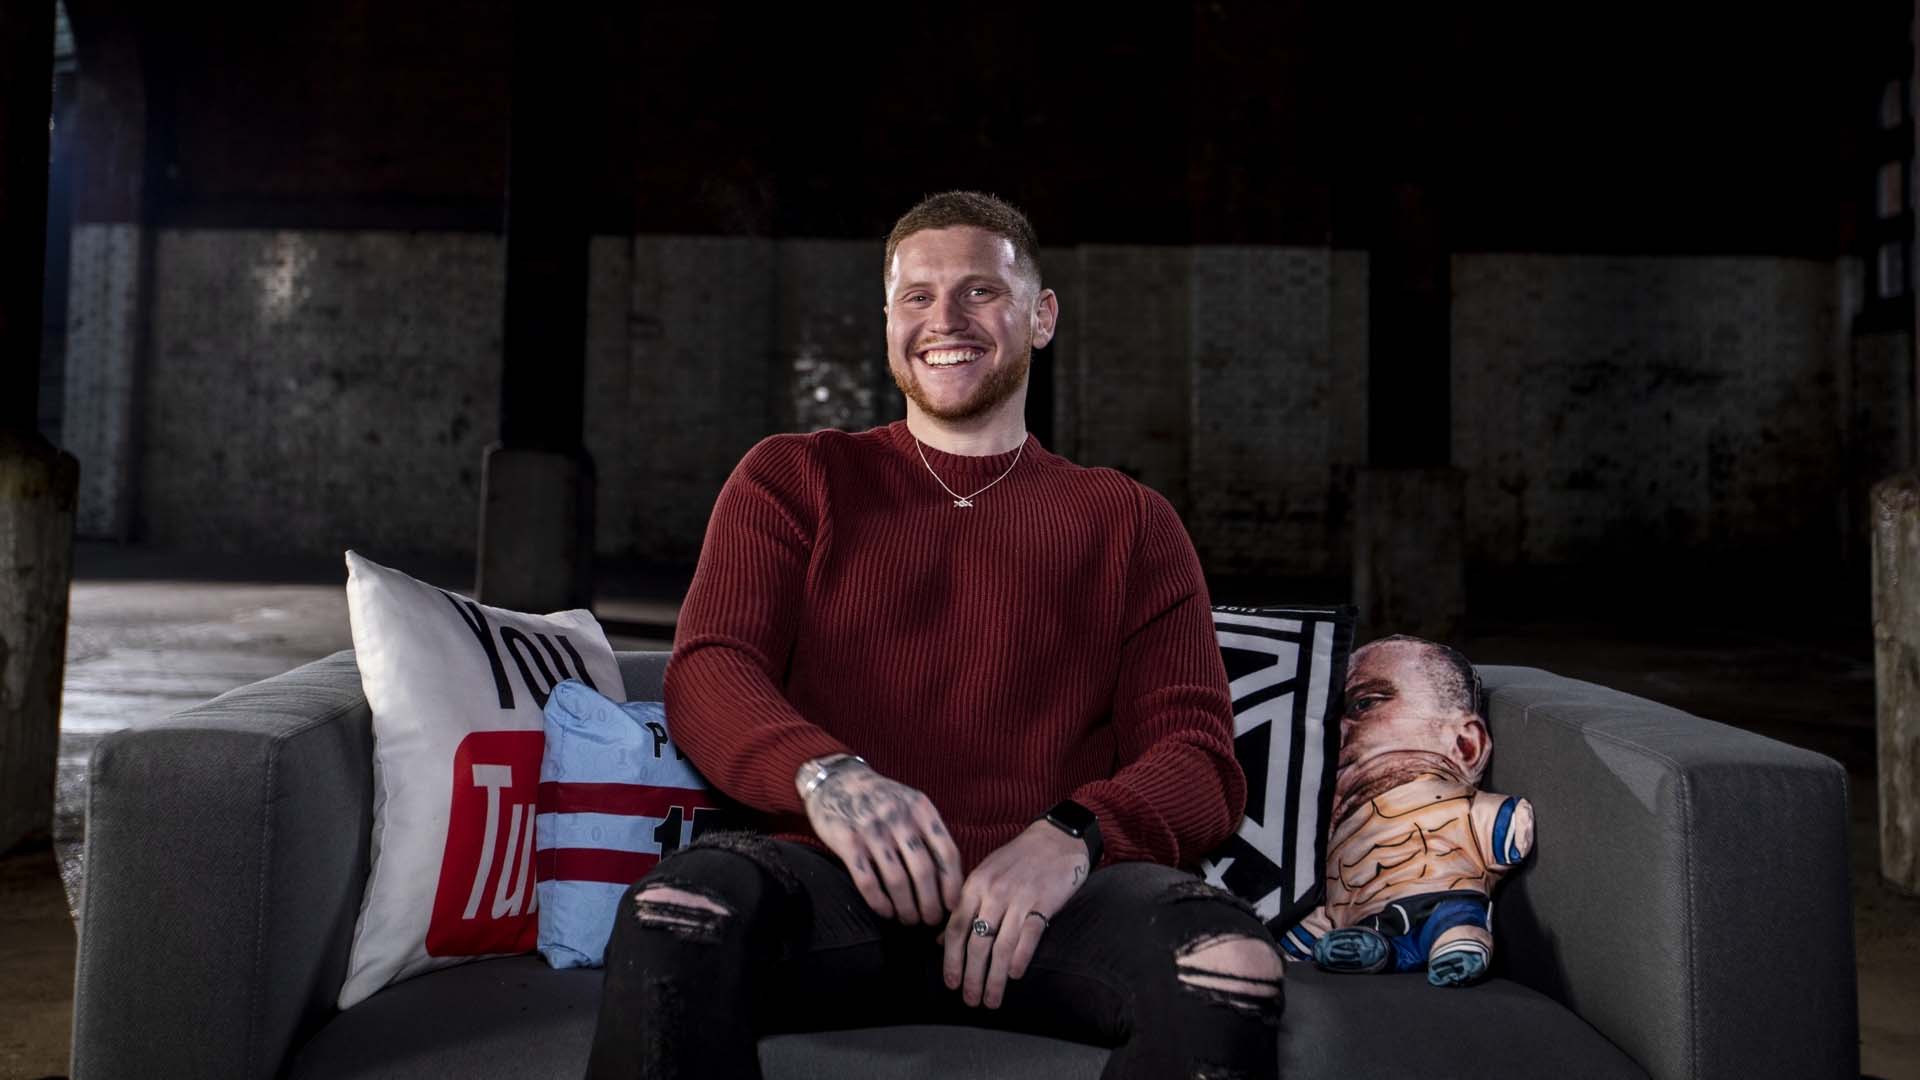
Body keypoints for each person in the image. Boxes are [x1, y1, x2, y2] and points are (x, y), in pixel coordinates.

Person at [585, 191, 1285, 1079]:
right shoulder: (793, 478)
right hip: (827, 883)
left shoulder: (1128, 520)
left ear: (1042, 316)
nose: (943, 319)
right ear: (887, 319)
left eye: (980, 292)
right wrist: (830, 776)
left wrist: (1073, 834)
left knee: (1228, 966)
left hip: (1046, 905)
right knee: (675, 915)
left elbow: (1196, 757)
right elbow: (712, 669)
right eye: (916, 296)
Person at [1280, 635, 1534, 987]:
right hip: (1366, 920)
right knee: (1364, 940)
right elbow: (1328, 907)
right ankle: (1380, 951)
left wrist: (1509, 822)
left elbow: (1504, 827)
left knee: (1454, 920)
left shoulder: (1459, 807)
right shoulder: (1324, 839)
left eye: (1364, 704)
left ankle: (1458, 940)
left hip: (1448, 902)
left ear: (1465, 743)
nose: (1335, 736)